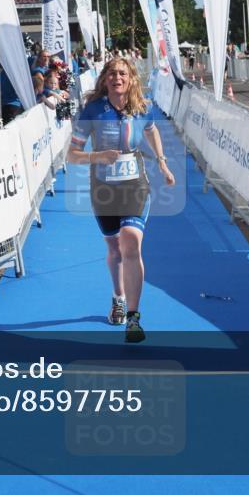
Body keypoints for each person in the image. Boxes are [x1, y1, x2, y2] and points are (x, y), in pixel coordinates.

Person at [66, 57, 176, 343]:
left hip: (134, 185)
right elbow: (71, 154)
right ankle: (118, 296)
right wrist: (97, 156)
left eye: (123, 73)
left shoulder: (143, 107)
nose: (118, 77)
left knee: (131, 242)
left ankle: (134, 317)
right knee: (114, 248)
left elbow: (151, 130)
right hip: (103, 188)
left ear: (131, 79)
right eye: (113, 73)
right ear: (105, 79)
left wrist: (162, 162)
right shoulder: (92, 110)